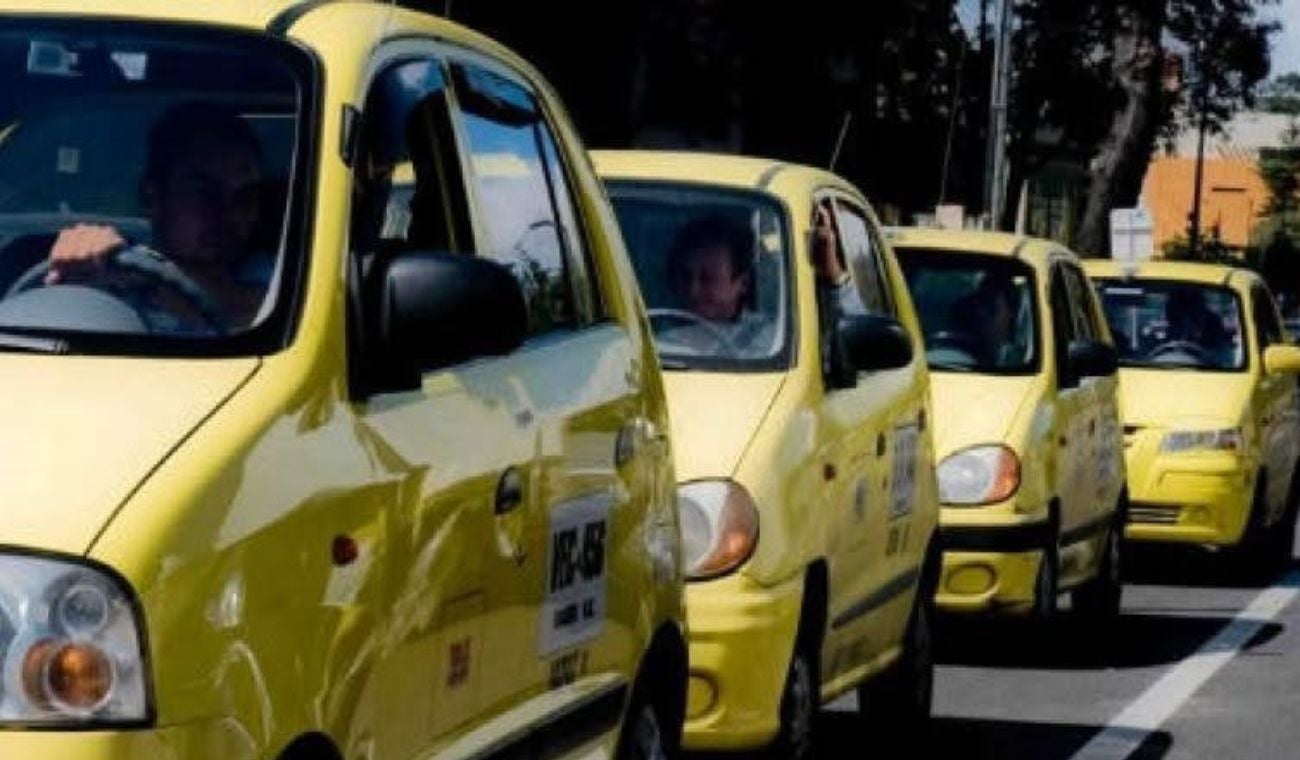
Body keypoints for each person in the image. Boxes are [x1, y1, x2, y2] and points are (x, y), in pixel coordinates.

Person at [41, 100, 268, 332]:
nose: (228, 211)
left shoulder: (284, 277)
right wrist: (79, 257)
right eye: (203, 192)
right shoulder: (116, 283)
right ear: (153, 197)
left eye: (245, 194)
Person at [661, 202, 862, 357]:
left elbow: (853, 341)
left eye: (708, 279)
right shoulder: (650, 333)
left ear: (742, 283)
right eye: (685, 276)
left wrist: (833, 274)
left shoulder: (776, 342)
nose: (692, 290)